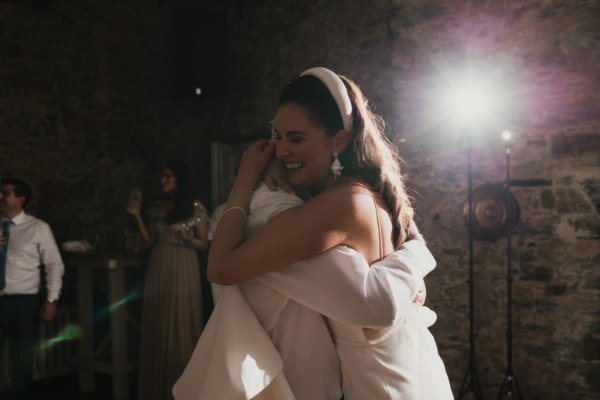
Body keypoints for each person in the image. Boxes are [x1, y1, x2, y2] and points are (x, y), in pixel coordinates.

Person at [207, 67, 453, 399]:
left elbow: (221, 267)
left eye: (295, 139)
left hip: (378, 386)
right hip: (409, 365)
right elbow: (413, 243)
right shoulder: (369, 191)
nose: (280, 151)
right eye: (277, 137)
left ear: (339, 139)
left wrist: (245, 178)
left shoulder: (340, 204)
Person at [127, 160, 209, 400]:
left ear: (179, 179)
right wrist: (137, 218)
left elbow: (204, 244)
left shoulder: (195, 207)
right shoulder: (155, 208)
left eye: (168, 176)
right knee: (159, 318)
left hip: (184, 263)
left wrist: (186, 237)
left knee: (181, 318)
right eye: (163, 176)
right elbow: (150, 243)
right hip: (159, 261)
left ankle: (183, 389)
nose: (163, 181)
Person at [0, 178, 64, 400]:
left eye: (5, 193)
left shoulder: (38, 228)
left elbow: (54, 264)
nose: (0, 197)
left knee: (22, 363)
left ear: (21, 199)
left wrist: (51, 299)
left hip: (24, 304)